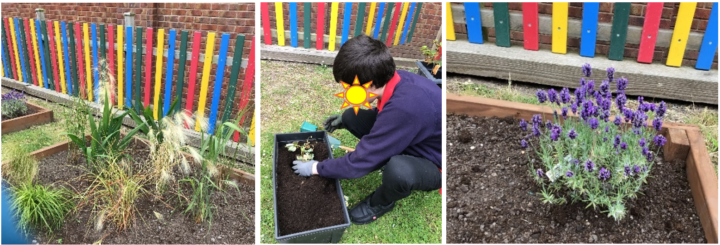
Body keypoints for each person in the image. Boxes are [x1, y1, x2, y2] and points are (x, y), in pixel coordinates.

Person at [292, 34, 441, 225]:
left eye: (349, 88)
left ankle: (381, 203)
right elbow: (384, 116)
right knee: (350, 117)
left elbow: (359, 162)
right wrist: (344, 121)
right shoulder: (396, 79)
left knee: (399, 170)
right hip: (416, 136)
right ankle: (382, 149)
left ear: (369, 84)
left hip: (435, 159)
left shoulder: (405, 108)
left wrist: (315, 168)